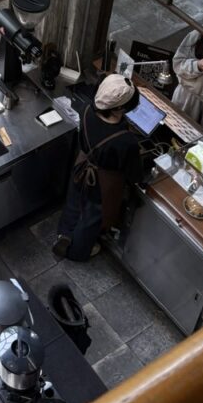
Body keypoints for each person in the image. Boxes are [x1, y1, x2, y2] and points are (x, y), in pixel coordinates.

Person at [53, 73, 143, 262]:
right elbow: (134, 173)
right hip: (103, 182)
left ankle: (64, 234)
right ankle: (77, 251)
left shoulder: (86, 109)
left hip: (81, 165)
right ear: (119, 108)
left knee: (75, 201)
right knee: (92, 216)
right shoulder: (125, 141)